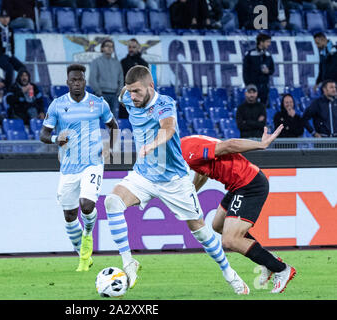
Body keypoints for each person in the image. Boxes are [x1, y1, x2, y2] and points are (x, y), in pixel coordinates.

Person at [104, 65, 249, 295]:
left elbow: (168, 128)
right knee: (112, 202)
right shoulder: (127, 97)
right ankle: (128, 263)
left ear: (151, 86)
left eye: (138, 92)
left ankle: (229, 272)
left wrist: (152, 144)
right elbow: (126, 92)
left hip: (174, 180)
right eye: (130, 91)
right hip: (143, 175)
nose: (133, 97)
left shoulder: (164, 104)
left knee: (200, 231)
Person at [180, 124, 297, 294]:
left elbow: (229, 145)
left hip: (250, 184)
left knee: (230, 240)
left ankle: (282, 269)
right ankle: (268, 261)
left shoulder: (187, 151)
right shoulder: (185, 147)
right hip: (238, 185)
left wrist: (260, 144)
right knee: (218, 225)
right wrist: (191, 193)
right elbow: (202, 171)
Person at [39, 64, 119, 272]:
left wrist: (109, 147)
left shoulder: (98, 103)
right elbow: (44, 135)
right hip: (68, 167)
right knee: (69, 216)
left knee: (87, 205)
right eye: (73, 80)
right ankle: (83, 256)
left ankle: (87, 236)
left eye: (80, 80)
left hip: (92, 163)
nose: (77, 83)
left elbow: (113, 127)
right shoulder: (57, 105)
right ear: (67, 82)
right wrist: (57, 138)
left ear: (85, 81)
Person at [0, 9, 26, 90]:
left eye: (7, 17)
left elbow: (12, 43)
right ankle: (7, 88)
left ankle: (18, 85)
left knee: (22, 68)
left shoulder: (10, 29)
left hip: (8, 55)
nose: (5, 19)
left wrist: (11, 54)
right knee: (9, 68)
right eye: (3, 17)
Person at [89, 39, 123, 119]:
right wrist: (99, 92)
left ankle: (114, 132)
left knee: (114, 120)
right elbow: (92, 79)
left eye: (111, 46)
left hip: (114, 95)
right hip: (101, 95)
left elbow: (121, 78)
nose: (109, 48)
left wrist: (119, 92)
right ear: (102, 48)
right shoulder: (96, 62)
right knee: (99, 120)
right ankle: (99, 132)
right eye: (107, 46)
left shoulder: (117, 63)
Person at [242, 33, 275, 106]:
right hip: (252, 87)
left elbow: (272, 69)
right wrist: (248, 86)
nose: (269, 44)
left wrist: (268, 71)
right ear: (261, 42)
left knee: (264, 107)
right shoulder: (250, 54)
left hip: (264, 87)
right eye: (267, 42)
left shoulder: (268, 55)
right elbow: (245, 71)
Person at [120, 39, 149, 119]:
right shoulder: (123, 62)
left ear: (138, 48)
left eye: (134, 47)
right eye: (129, 47)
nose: (131, 49)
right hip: (126, 95)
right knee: (124, 120)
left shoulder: (143, 63)